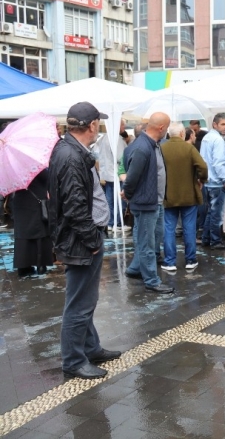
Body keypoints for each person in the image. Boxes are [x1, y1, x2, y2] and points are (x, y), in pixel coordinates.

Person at [49, 102, 120, 379]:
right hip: (80, 240)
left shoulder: (72, 151)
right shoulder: (70, 155)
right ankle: (74, 361)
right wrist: (92, 240)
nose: (99, 128)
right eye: (98, 124)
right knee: (79, 304)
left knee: (85, 300)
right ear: (91, 125)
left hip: (80, 237)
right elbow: (75, 207)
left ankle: (91, 348)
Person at [122, 113, 174, 294]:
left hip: (153, 201)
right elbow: (131, 177)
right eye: (166, 128)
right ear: (161, 128)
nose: (167, 131)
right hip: (146, 203)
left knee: (153, 238)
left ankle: (135, 269)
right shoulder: (143, 147)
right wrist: (128, 194)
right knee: (147, 244)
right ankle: (151, 280)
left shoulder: (151, 145)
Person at [160, 122, 208, 272]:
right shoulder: (189, 148)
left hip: (168, 195)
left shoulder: (162, 148)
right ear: (182, 134)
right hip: (189, 195)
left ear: (169, 134)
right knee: (189, 228)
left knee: (169, 229)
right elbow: (203, 167)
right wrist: (201, 180)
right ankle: (190, 260)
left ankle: (169, 262)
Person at [200, 113, 225, 250]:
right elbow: (219, 163)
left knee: (211, 212)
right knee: (216, 214)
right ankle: (215, 241)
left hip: (209, 181)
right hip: (217, 182)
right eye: (223, 124)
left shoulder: (207, 138)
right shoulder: (218, 140)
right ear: (215, 124)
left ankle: (206, 239)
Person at [13, 169, 53, 277]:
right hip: (35, 202)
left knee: (23, 236)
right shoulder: (34, 165)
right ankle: (40, 264)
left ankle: (23, 267)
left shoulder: (13, 167)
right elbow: (48, 178)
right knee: (40, 234)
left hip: (20, 202)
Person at [93, 119, 131, 231]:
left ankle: (111, 223)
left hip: (107, 173)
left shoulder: (103, 138)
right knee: (119, 200)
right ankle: (117, 223)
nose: (124, 127)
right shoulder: (117, 140)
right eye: (123, 125)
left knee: (110, 200)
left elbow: (95, 154)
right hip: (117, 174)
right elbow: (121, 157)